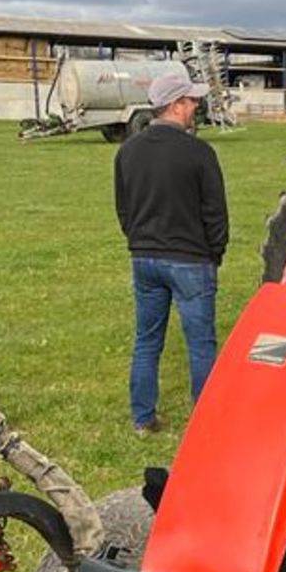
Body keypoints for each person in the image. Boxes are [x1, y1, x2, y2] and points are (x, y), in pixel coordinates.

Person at [113, 64, 229, 436]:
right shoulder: (199, 153)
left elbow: (124, 208)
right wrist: (215, 254)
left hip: (144, 259)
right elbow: (215, 213)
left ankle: (142, 418)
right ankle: (206, 422)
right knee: (201, 344)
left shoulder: (127, 152)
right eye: (192, 100)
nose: (196, 106)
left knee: (147, 340)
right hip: (192, 261)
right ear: (176, 105)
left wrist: (139, 241)